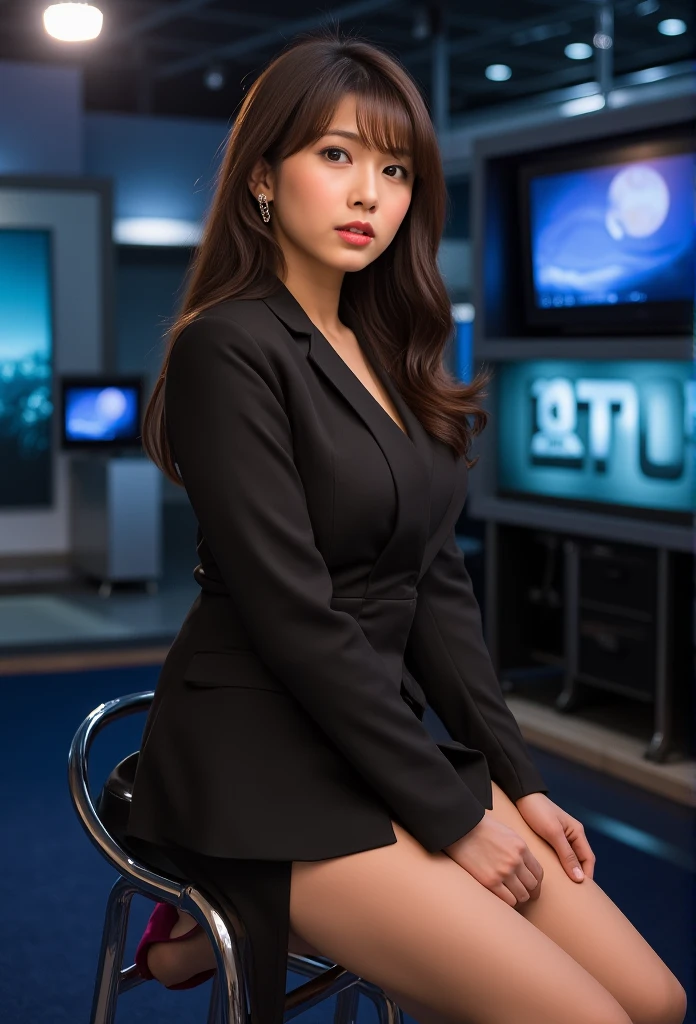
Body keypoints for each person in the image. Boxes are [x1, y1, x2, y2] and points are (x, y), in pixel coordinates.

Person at [124, 28, 687, 1024]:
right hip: (259, 757)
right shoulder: (228, 346)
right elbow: (294, 615)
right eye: (335, 155)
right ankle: (212, 920)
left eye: (394, 170)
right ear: (264, 176)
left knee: (655, 998)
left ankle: (200, 945)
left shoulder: (389, 348)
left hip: (373, 744)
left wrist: (517, 782)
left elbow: (437, 590)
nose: (368, 194)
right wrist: (453, 814)